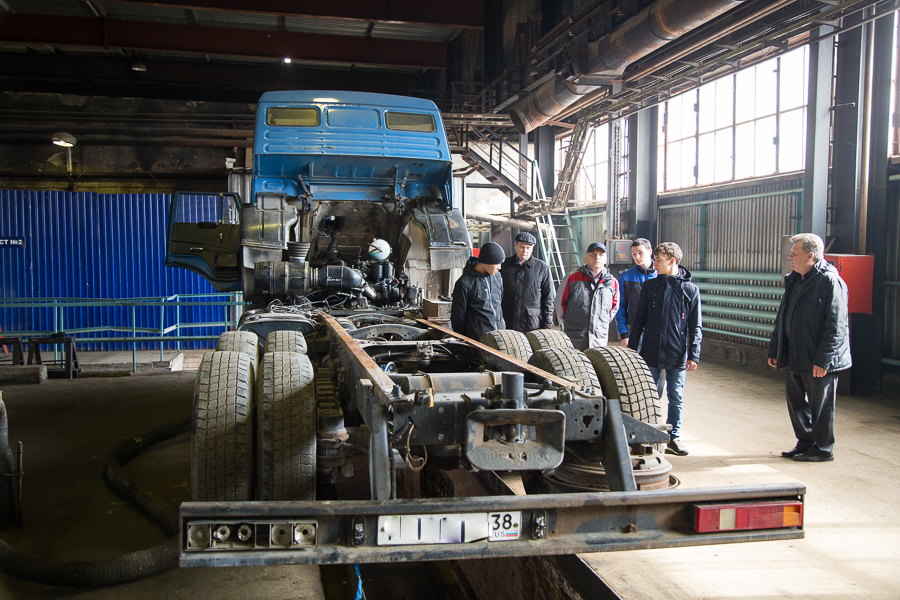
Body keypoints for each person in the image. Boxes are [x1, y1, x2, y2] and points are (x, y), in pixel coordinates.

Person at [767, 233, 851, 463]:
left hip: (817, 358)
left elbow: (836, 325)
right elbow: (782, 317)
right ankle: (805, 442)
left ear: (810, 256)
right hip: (795, 354)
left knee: (820, 406)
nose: (790, 256)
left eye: (795, 253)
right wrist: (776, 349)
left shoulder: (829, 282)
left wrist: (823, 360)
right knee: (795, 401)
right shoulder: (796, 279)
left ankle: (823, 448)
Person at [628, 242, 701, 456]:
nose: (655, 264)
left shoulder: (690, 290)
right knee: (651, 395)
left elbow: (695, 326)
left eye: (658, 260)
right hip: (650, 352)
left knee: (675, 397)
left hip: (676, 354)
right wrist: (632, 351)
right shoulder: (650, 287)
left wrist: (694, 354)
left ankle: (674, 438)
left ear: (672, 261)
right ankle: (648, 435)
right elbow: (639, 320)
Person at [554, 242, 619, 351]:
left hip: (599, 338)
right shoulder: (572, 278)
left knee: (597, 366)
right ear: (586, 258)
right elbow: (560, 303)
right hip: (575, 337)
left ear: (606, 259)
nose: (597, 257)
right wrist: (570, 322)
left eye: (601, 255)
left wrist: (600, 323)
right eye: (593, 254)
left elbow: (613, 307)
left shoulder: (612, 283)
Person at [451, 241, 506, 342]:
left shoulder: (497, 277)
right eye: (497, 263)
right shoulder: (464, 283)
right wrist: (464, 341)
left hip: (499, 336)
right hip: (478, 340)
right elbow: (458, 316)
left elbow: (499, 304)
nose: (499, 267)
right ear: (486, 261)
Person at [500, 231, 555, 333]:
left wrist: (546, 327)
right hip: (506, 323)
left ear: (532, 248)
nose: (524, 251)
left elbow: (548, 299)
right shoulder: (503, 266)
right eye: (521, 247)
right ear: (515, 245)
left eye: (528, 248)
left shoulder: (542, 268)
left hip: (531, 326)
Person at [616, 238, 657, 348]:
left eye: (640, 253)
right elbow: (620, 307)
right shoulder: (626, 277)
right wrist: (624, 334)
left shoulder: (660, 276)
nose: (637, 257)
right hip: (635, 331)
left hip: (657, 331)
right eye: (634, 254)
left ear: (650, 251)